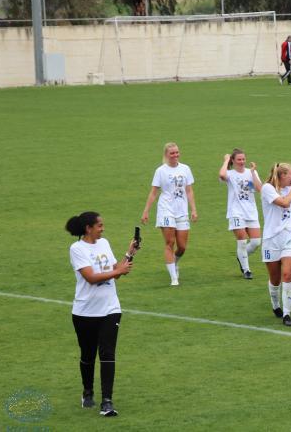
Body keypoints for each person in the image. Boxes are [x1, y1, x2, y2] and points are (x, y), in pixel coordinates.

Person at [66, 211, 138, 417]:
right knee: (88, 355)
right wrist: (118, 272)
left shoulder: (104, 243)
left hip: (110, 309)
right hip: (85, 312)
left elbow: (115, 271)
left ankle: (107, 401)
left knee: (107, 353)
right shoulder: (77, 249)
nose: (102, 229)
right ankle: (87, 391)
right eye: (99, 225)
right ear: (88, 228)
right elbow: (90, 278)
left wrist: (129, 253)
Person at [141, 142, 197, 286]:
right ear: (166, 155)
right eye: (172, 153)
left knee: (182, 247)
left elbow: (189, 190)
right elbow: (154, 193)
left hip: (182, 211)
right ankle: (174, 278)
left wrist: (193, 209)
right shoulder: (160, 171)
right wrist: (146, 211)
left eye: (177, 152)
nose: (175, 155)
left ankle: (175, 262)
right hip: (166, 210)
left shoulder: (185, 169)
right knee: (169, 242)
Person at [261, 163, 291, 326]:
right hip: (271, 239)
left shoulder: (290, 188)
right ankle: (276, 304)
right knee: (275, 278)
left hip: (289, 236)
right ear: (283, 175)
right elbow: (284, 203)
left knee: (288, 275)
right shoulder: (267, 188)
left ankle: (287, 314)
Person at [219, 149, 263, 280]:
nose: (242, 161)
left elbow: (259, 189)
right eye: (239, 159)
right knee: (242, 242)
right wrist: (226, 160)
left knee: (256, 242)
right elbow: (222, 175)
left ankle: (241, 256)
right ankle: (246, 270)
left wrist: (253, 172)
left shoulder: (251, 172)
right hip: (236, 212)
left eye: (243, 159)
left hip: (251, 212)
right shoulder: (230, 174)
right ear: (233, 160)